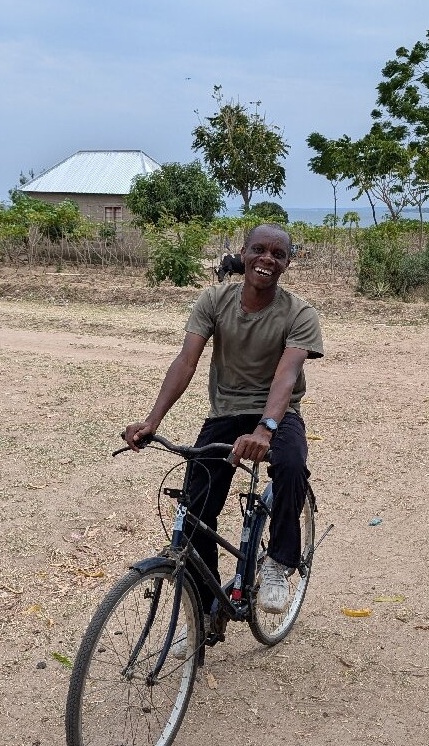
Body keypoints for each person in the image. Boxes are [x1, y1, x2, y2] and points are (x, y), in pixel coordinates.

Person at [124, 223, 324, 622]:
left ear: (287, 263)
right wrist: (152, 419)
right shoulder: (215, 300)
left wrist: (266, 428)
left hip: (277, 412)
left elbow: (286, 375)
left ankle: (278, 563)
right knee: (195, 504)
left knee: (289, 465)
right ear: (244, 253)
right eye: (259, 250)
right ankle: (207, 608)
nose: (267, 259)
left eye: (277, 254)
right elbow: (185, 362)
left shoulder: (300, 313)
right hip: (227, 412)